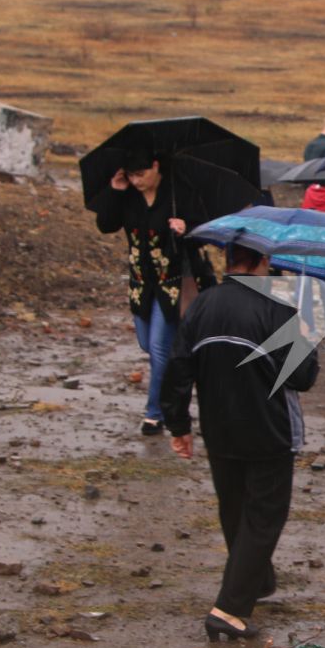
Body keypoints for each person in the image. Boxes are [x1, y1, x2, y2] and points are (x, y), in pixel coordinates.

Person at [161, 244, 319, 642]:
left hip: (219, 427)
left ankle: (256, 580)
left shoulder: (203, 304)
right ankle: (229, 609)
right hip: (270, 429)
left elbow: (179, 365)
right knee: (264, 516)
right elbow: (303, 377)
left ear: (228, 260)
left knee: (234, 509)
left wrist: (178, 423)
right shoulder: (276, 309)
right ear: (263, 261)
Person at [94, 150, 218, 436]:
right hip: (141, 285)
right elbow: (105, 225)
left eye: (141, 174)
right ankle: (178, 389)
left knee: (160, 349)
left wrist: (187, 227)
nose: (136, 181)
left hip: (173, 283)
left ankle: (154, 414)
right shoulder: (128, 195)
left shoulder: (179, 192)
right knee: (149, 345)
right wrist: (115, 191)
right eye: (131, 175)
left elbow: (206, 228)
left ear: (155, 166)